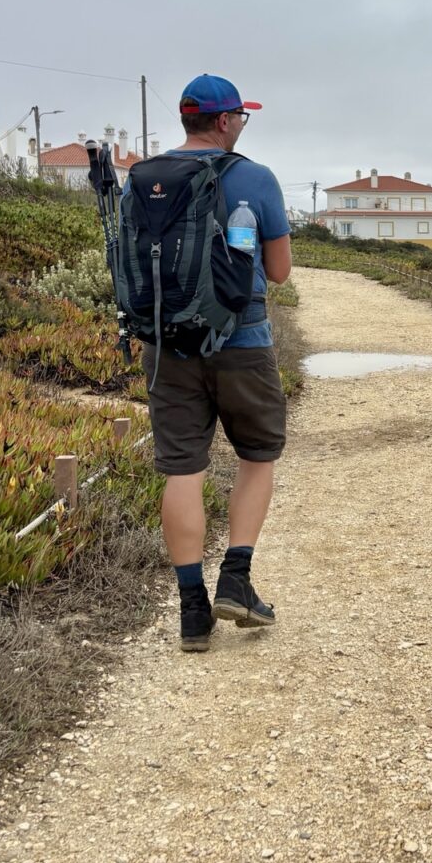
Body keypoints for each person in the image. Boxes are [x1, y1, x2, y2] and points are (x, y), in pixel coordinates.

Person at [141, 74, 293, 651]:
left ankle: (191, 614)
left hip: (166, 344)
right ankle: (236, 577)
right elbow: (278, 273)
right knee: (257, 456)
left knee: (183, 469)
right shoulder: (255, 177)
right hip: (243, 340)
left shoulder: (146, 180)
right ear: (226, 121)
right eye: (241, 119)